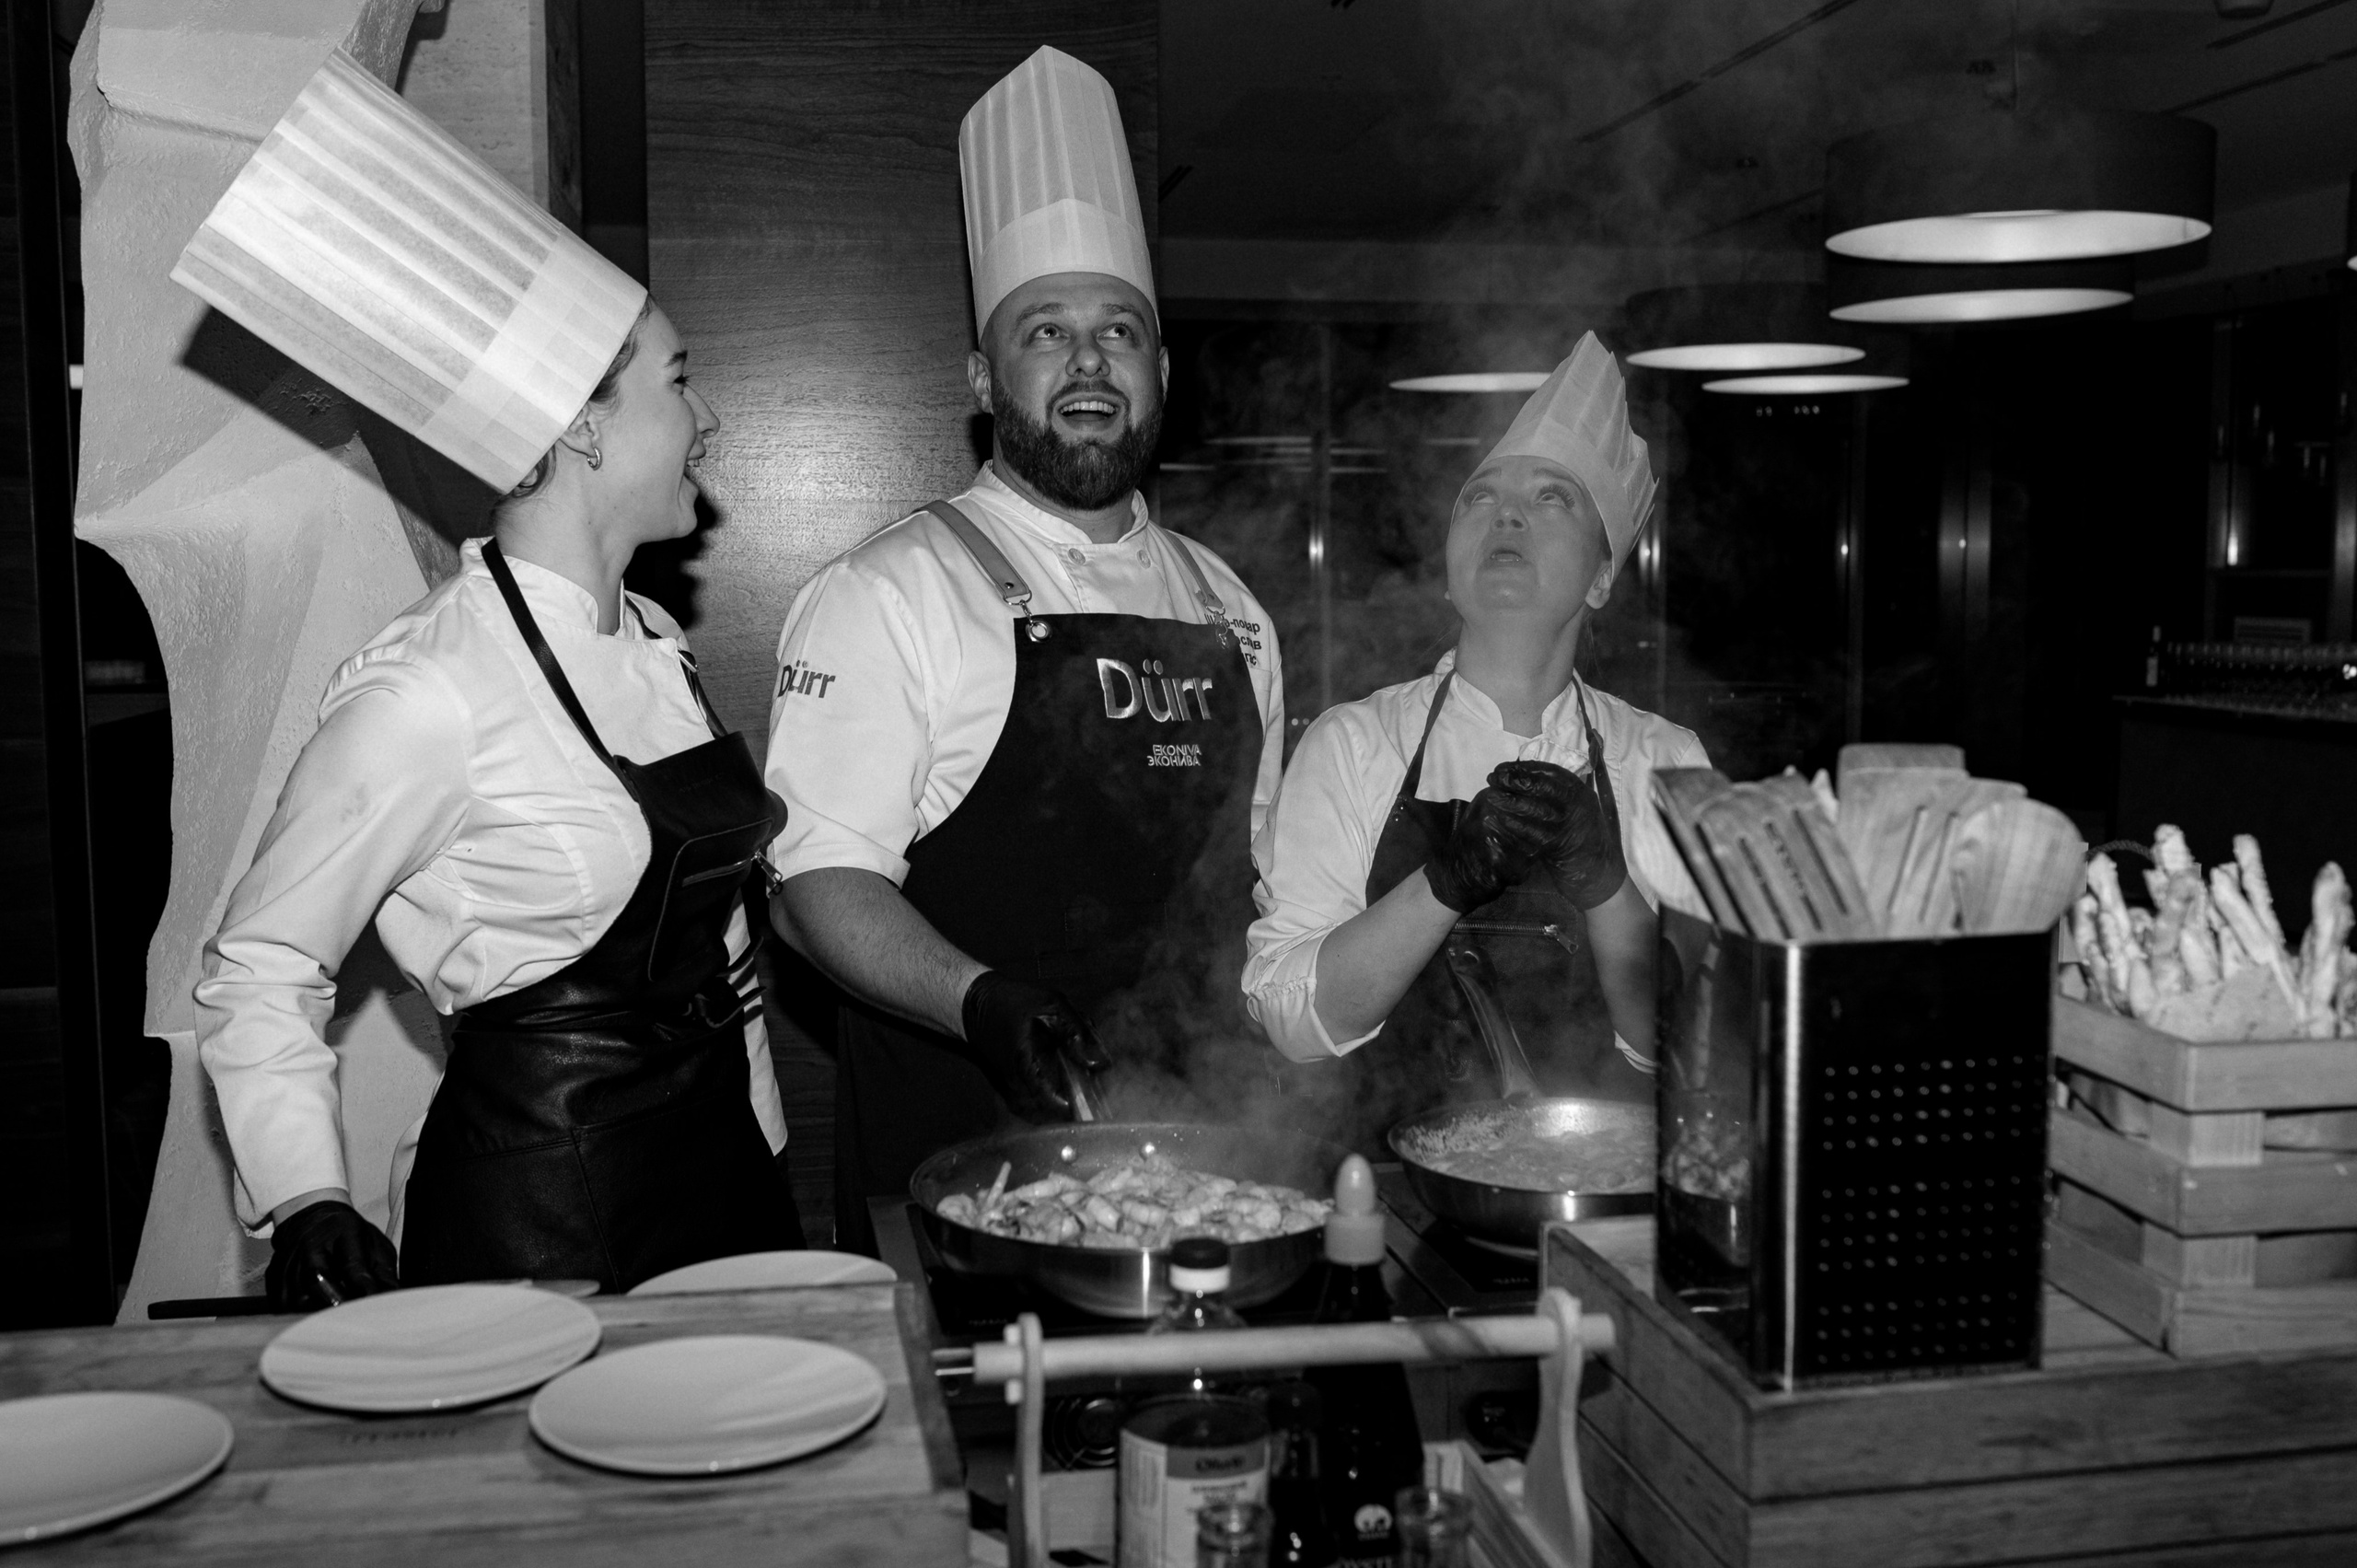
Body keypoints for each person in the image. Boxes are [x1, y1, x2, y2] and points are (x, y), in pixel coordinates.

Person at [186, 51, 800, 1307]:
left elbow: (714, 948)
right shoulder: (426, 693)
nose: (706, 421)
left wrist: (763, 1141)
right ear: (582, 425)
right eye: (680, 381)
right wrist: (308, 1196)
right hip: (539, 1217)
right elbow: (259, 965)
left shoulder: (655, 641)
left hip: (719, 1179)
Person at [765, 47, 1285, 1254]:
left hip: (1204, 1165)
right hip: (959, 1169)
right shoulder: (888, 592)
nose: (1089, 360)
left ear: (1162, 371)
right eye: (1044, 331)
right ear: (982, 376)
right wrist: (976, 997)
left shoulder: (1234, 607)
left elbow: (1256, 886)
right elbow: (811, 889)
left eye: (1120, 331)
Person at [1243, 335, 1708, 1149]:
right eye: (1480, 496)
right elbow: (1291, 1019)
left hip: (1608, 1187)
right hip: (1391, 1189)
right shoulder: (1354, 744)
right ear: (1451, 569)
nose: (1509, 513)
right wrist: (1445, 880)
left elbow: (1685, 1043)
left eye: (1553, 496)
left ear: (1603, 577)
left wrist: (1607, 886)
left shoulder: (1667, 763)